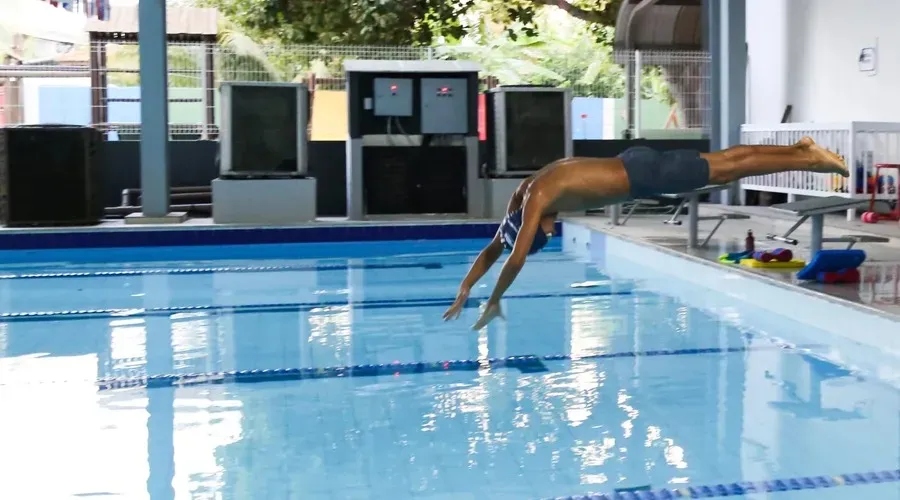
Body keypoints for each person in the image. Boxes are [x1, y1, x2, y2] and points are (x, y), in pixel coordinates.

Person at [442, 137, 847, 330]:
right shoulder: (525, 192)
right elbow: (496, 247)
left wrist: (494, 299)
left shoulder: (539, 201)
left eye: (544, 233)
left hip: (643, 174)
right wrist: (465, 289)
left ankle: (807, 158)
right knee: (727, 164)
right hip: (633, 164)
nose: (551, 227)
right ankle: (800, 150)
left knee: (729, 167)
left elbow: (512, 257)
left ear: (540, 227)